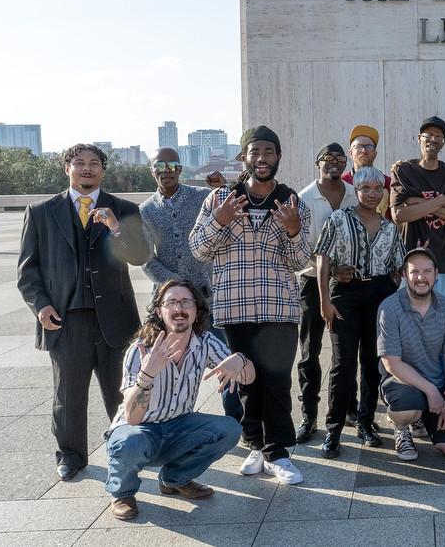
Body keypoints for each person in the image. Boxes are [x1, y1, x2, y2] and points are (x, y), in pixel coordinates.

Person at [17, 143, 150, 480]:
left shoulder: (123, 208)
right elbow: (27, 271)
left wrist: (116, 229)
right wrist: (41, 306)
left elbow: (139, 255)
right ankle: (71, 456)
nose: (87, 169)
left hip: (116, 320)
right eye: (79, 163)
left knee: (122, 391)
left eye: (94, 163)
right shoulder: (42, 212)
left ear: (103, 170)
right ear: (67, 169)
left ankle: (127, 449)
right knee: (68, 394)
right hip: (65, 318)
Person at [190, 126, 311, 485]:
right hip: (235, 308)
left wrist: (292, 229)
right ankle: (255, 446)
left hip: (278, 309)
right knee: (244, 381)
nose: (262, 158)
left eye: (269, 152)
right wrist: (219, 221)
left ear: (278, 158)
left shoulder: (292, 202)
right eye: (255, 152)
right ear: (244, 156)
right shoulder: (219, 200)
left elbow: (302, 259)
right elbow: (198, 249)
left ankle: (279, 452)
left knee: (275, 380)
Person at [104, 280, 252, 520]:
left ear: (197, 310)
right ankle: (122, 493)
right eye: (171, 302)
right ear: (160, 311)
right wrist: (147, 375)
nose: (179, 308)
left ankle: (174, 479)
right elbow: (132, 417)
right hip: (139, 428)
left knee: (229, 429)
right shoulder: (141, 350)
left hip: (178, 426)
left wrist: (241, 360)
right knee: (129, 443)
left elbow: (249, 377)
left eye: (186, 302)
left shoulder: (204, 342)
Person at [140, 148, 241, 420]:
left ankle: (237, 421)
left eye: (172, 164)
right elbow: (146, 260)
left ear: (180, 169)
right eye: (160, 165)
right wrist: (176, 287)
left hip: (210, 299)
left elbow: (230, 217)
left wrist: (223, 187)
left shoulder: (201, 198)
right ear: (152, 170)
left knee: (225, 359)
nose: (167, 170)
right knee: (166, 363)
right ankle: (167, 419)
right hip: (169, 306)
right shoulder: (145, 211)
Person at [316, 166, 404, 457]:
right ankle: (333, 430)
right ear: (356, 190)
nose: (371, 193)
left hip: (380, 294)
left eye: (377, 189)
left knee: (371, 362)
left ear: (383, 192)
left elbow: (398, 266)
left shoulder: (391, 228)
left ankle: (366, 423)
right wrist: (324, 300)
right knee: (343, 364)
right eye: (365, 188)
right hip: (346, 294)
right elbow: (323, 259)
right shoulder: (338, 219)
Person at [294, 143, 358, 443]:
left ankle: (348, 407)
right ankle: (309, 414)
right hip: (311, 283)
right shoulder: (305, 199)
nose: (334, 163)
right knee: (310, 351)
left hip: (347, 284)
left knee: (347, 351)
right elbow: (303, 249)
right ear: (317, 163)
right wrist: (330, 271)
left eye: (339, 159)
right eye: (327, 159)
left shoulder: (352, 195)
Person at [377, 248, 445, 461]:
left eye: (427, 271)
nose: (421, 277)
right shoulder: (389, 307)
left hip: (436, 383)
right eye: (415, 271)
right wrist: (430, 391)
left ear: (436, 274)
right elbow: (392, 364)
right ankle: (402, 427)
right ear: (404, 275)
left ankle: (421, 417)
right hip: (401, 382)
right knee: (409, 404)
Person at [390, 116, 445, 305]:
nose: (433, 140)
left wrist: (416, 202)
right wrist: (442, 201)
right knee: (411, 320)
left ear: (443, 142)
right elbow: (399, 215)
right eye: (428, 135)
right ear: (419, 138)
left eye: (438, 136)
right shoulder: (404, 170)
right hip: (413, 261)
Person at [342, 124, 392, 217]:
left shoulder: (387, 183)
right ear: (350, 153)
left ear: (375, 153)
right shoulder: (341, 183)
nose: (364, 151)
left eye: (369, 147)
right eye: (358, 146)